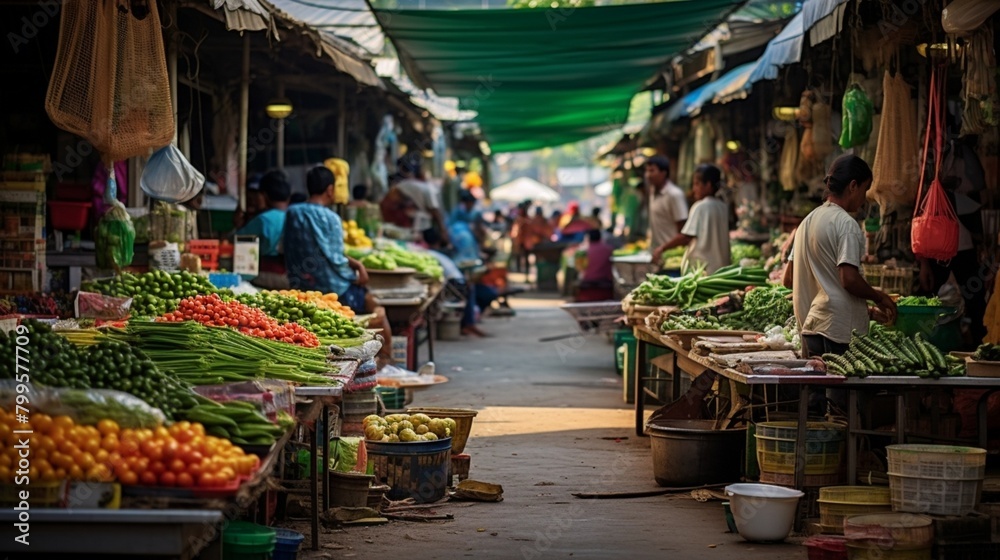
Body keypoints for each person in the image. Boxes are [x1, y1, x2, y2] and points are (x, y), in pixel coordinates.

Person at [787, 154, 897, 358]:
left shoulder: (806, 222)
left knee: (816, 388)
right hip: (837, 332)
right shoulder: (846, 223)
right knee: (840, 388)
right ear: (853, 186)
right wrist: (878, 297)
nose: (864, 199)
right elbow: (849, 280)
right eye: (865, 190)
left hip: (811, 327)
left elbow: (788, 279)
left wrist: (867, 311)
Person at [284, 166, 393, 360]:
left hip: (299, 286)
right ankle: (385, 362)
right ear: (330, 190)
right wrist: (358, 271)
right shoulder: (332, 218)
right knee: (377, 309)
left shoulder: (293, 212)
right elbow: (336, 258)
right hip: (334, 288)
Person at [651, 163, 730, 274]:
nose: (694, 189)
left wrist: (662, 248)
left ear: (708, 185)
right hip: (722, 268)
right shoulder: (722, 207)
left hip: (704, 270)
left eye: (697, 184)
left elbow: (686, 237)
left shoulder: (700, 206)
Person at [238, 170, 291, 289]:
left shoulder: (263, 219)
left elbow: (239, 243)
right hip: (291, 277)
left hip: (268, 275)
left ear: (264, 195)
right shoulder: (295, 214)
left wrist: (239, 224)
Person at [391, 153, 450, 247]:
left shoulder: (402, 185)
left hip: (413, 228)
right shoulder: (425, 188)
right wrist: (443, 230)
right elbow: (434, 210)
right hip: (418, 228)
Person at [644, 155, 689, 264]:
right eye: (647, 171)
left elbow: (684, 233)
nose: (648, 175)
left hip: (673, 259)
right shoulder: (652, 192)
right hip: (658, 257)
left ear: (663, 173)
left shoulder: (674, 195)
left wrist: (663, 248)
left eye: (652, 171)